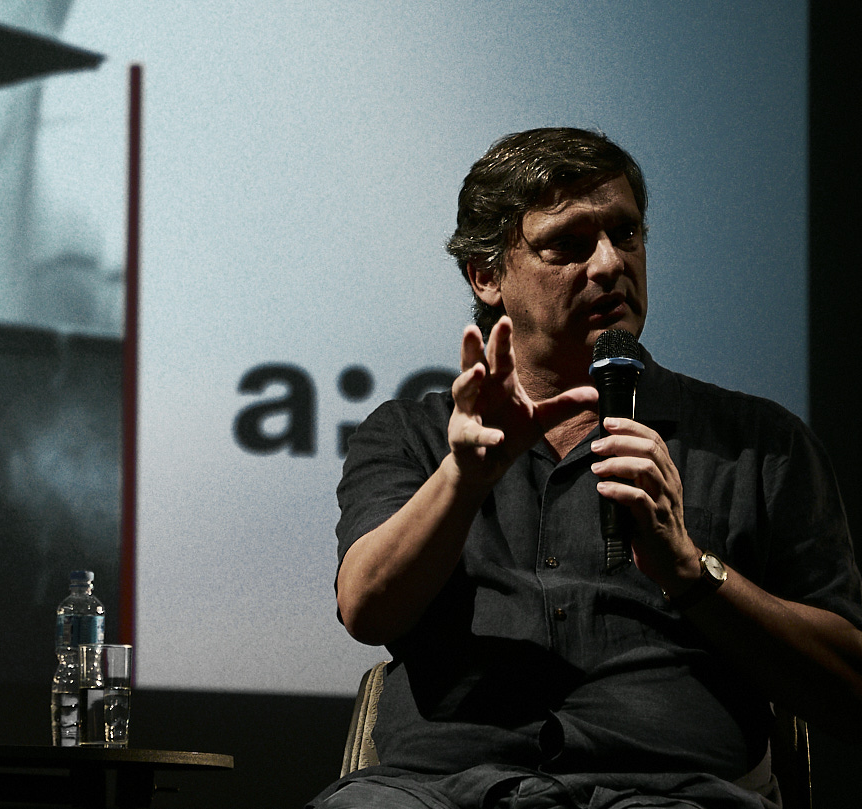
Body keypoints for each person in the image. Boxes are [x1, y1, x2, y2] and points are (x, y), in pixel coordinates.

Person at [314, 127, 862, 809]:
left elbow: (849, 690)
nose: (610, 263)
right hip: (439, 790)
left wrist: (692, 571)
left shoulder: (760, 445)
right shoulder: (411, 436)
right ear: (487, 275)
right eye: (569, 244)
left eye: (626, 235)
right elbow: (367, 608)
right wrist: (463, 480)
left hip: (670, 793)